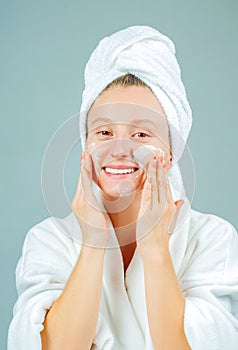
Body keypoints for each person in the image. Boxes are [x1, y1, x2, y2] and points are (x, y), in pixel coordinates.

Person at [8, 25, 238, 350]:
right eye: (103, 132)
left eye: (141, 134)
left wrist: (156, 251)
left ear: (171, 152)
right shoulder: (48, 240)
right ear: (86, 146)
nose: (119, 149)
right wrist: (93, 242)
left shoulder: (213, 239)